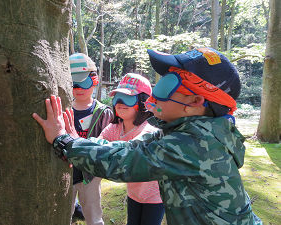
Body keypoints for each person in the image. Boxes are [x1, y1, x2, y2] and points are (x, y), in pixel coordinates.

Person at [33, 47, 262, 225]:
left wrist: (62, 140)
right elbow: (129, 148)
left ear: (195, 102)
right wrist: (76, 143)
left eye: (168, 84)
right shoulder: (184, 131)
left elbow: (123, 162)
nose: (156, 92)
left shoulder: (196, 144)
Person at [99, 73, 164, 225]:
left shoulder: (148, 131)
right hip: (134, 193)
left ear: (143, 102)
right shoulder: (115, 128)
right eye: (117, 98)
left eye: (127, 98)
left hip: (155, 196)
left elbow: (130, 154)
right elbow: (97, 145)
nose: (119, 103)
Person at [69, 53, 114, 225]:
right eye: (73, 84)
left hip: (91, 174)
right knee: (64, 213)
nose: (78, 88)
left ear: (94, 80)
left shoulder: (103, 112)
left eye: (83, 82)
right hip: (67, 171)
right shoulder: (65, 108)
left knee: (93, 214)